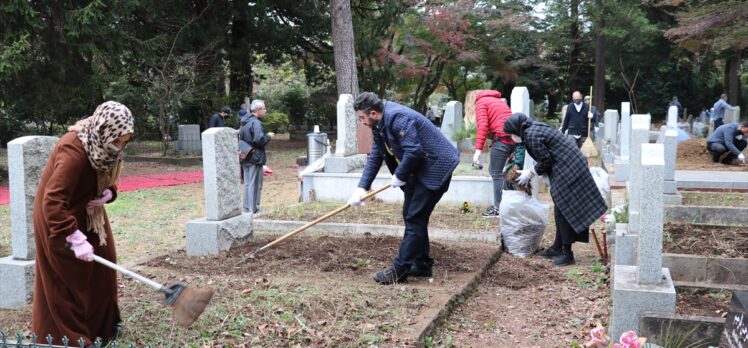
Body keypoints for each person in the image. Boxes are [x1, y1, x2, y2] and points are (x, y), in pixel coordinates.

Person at [32, 101, 134, 347]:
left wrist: (108, 193)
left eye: (125, 140)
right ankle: (69, 337)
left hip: (87, 211)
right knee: (69, 276)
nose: (120, 146)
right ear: (104, 129)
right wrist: (74, 237)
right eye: (118, 140)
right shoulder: (73, 151)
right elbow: (52, 201)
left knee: (104, 262)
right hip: (58, 218)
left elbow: (104, 178)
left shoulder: (103, 146)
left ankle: (103, 327)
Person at [347, 92, 459, 284]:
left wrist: (399, 175)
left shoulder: (398, 117)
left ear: (373, 113)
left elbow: (414, 150)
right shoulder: (379, 125)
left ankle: (400, 270)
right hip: (418, 169)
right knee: (412, 215)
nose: (362, 122)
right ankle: (422, 264)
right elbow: (376, 155)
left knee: (414, 217)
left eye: (362, 118)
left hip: (435, 168)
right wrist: (362, 188)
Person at [503, 112, 607, 266]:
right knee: (560, 207)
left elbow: (545, 159)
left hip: (569, 168)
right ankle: (558, 247)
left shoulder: (531, 134)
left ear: (516, 129)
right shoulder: (533, 128)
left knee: (564, 209)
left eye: (511, 133)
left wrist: (530, 173)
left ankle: (567, 253)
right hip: (570, 164)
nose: (512, 137)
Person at [468, 90, 515, 218]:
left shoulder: (481, 103)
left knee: (496, 173)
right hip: (514, 139)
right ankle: (509, 206)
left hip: (502, 139)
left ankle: (499, 208)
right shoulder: (497, 101)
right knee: (503, 173)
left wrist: (478, 150)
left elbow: (483, 126)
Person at [239, 100, 274, 213]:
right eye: (264, 109)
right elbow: (259, 140)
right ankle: (253, 208)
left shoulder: (244, 122)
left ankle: (246, 207)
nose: (265, 111)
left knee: (248, 183)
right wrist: (268, 136)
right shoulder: (256, 123)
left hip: (245, 155)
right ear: (258, 110)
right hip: (255, 156)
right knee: (255, 183)